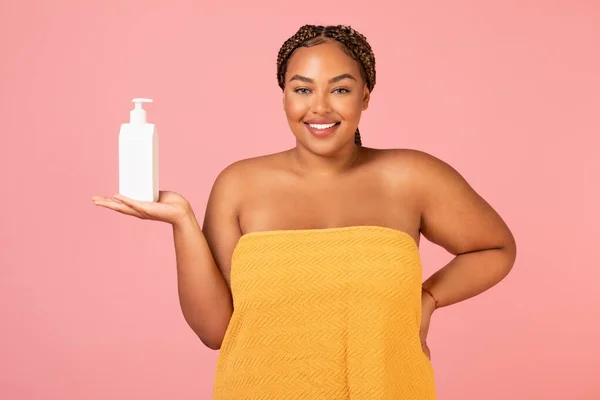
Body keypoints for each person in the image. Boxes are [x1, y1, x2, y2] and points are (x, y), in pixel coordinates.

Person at [93, 24, 516, 399]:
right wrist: (182, 221)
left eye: (340, 89)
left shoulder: (412, 176)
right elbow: (216, 331)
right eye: (302, 89)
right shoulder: (239, 185)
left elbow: (495, 248)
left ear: (365, 96)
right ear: (283, 97)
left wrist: (427, 297)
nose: (320, 107)